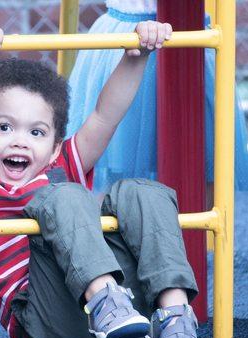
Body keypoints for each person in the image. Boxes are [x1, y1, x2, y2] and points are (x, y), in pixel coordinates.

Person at [0, 21, 208, 338]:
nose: (19, 141)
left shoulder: (61, 166)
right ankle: (103, 299)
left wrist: (138, 56)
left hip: (131, 320)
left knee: (140, 192)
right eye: (3, 127)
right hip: (47, 322)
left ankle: (174, 316)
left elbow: (105, 117)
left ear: (54, 147)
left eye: (36, 132)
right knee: (64, 196)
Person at [67, 0, 248, 194]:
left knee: (203, 160)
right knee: (116, 167)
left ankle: (195, 223)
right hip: (130, 32)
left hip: (191, 32)